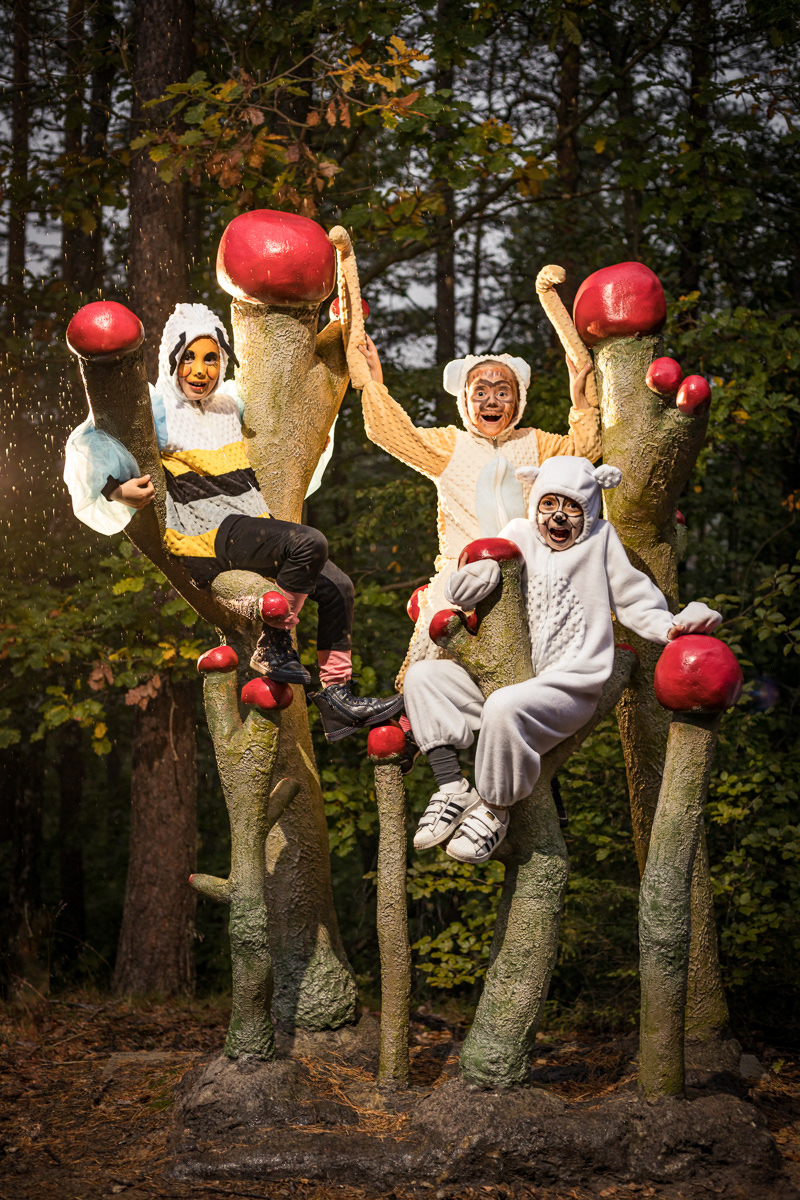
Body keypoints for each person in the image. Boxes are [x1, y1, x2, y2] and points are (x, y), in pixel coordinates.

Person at [64, 302, 403, 739]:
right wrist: (114, 489)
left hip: (247, 525)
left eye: (211, 358)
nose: (200, 370)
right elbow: (94, 442)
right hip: (206, 533)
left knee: (339, 586)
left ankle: (336, 697)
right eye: (188, 357)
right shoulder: (158, 406)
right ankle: (274, 643)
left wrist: (342, 343)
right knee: (309, 543)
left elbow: (289, 414)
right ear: (171, 360)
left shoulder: (231, 404)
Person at [402, 456, 723, 864]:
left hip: (567, 687)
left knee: (504, 707)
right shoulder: (517, 533)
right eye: (549, 503)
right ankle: (451, 787)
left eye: (572, 507)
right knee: (423, 677)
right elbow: (471, 583)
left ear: (589, 510)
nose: (558, 516)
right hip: (507, 678)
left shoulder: (601, 541)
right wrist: (472, 579)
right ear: (535, 502)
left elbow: (634, 599)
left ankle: (494, 808)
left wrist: (672, 626)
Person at [356, 338, 602, 684]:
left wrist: (581, 402)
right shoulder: (449, 445)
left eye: (503, 392)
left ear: (518, 399)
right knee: (436, 646)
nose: (491, 401)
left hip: (527, 572)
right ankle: (417, 707)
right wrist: (373, 385)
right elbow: (391, 433)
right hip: (463, 573)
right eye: (480, 392)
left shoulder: (536, 443)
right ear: (464, 400)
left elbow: (586, 451)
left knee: (536, 665)